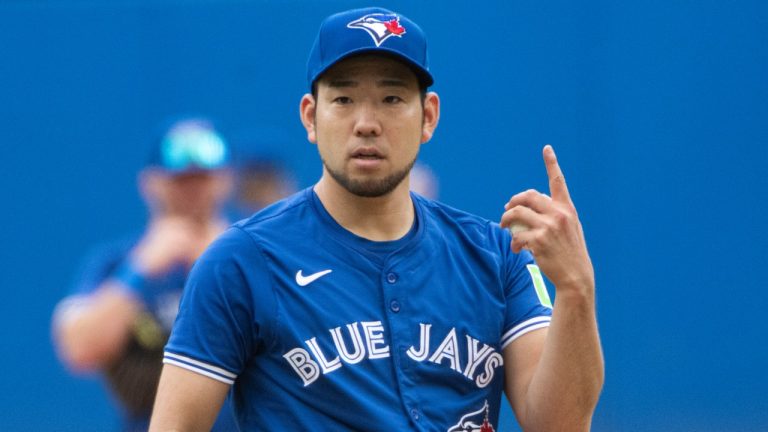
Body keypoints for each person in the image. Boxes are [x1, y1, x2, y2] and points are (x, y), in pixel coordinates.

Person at [150, 7, 604, 432]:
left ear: (428, 117)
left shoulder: (495, 256)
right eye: (344, 99)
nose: (366, 123)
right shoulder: (244, 261)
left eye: (391, 98)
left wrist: (576, 288)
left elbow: (559, 425)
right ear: (311, 116)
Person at [52, 118, 239, 431]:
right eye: (180, 179)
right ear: (150, 183)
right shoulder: (117, 263)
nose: (193, 189)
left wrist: (217, 265)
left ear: (225, 180)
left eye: (202, 178)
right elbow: (79, 348)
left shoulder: (252, 250)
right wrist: (139, 271)